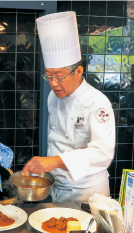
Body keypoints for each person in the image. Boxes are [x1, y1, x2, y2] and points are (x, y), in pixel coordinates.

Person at [22, 12, 116, 202]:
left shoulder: (97, 103)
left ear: (78, 71)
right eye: (49, 76)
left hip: (88, 193)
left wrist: (55, 161)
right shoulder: (52, 97)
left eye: (59, 76)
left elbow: (102, 154)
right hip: (58, 187)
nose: (54, 83)